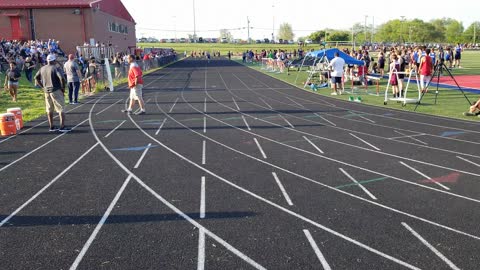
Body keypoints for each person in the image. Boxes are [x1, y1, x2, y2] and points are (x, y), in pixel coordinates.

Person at [34, 54, 69, 132]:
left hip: (46, 91)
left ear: (47, 60)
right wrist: (63, 88)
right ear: (54, 60)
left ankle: (51, 126)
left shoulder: (42, 68)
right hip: (56, 90)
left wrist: (42, 87)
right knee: (61, 108)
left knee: (49, 109)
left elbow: (36, 78)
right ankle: (62, 126)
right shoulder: (55, 68)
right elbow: (61, 78)